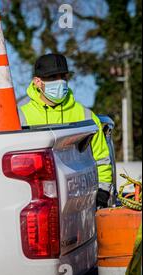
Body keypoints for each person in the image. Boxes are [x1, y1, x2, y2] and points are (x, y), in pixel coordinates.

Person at [18, 53, 113, 208]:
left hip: (80, 204)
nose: (60, 81)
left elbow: (102, 159)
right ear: (37, 82)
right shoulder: (22, 117)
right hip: (39, 203)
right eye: (53, 77)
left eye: (63, 76)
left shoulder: (86, 115)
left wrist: (103, 193)